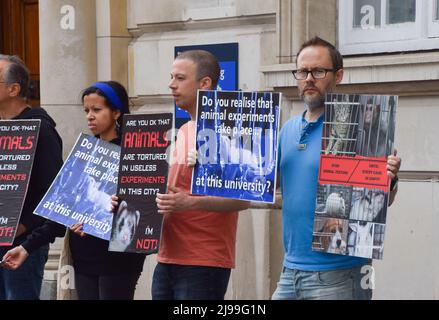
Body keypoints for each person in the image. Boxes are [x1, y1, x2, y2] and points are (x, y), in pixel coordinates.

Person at [272, 37, 401, 300]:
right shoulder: (287, 130)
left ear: (338, 75)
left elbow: (380, 203)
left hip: (340, 274)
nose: (308, 78)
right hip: (290, 271)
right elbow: (268, 189)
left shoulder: (361, 130)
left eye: (318, 71)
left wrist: (390, 178)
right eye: (302, 71)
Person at [2, 81, 146, 300]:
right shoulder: (84, 154)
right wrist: (26, 247)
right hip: (83, 254)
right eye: (87, 110)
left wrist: (122, 205)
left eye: (97, 110)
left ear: (116, 112)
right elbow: (60, 210)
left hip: (118, 258)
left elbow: (145, 213)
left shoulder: (135, 155)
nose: (90, 116)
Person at [152, 50, 250, 299]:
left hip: (203, 261)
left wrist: (190, 202)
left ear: (204, 83)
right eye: (171, 77)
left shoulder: (228, 132)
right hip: (166, 257)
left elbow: (243, 199)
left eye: (180, 78)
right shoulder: (183, 129)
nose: (171, 84)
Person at [0, 55, 63, 300]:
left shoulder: (42, 130)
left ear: (13, 89)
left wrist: (22, 227)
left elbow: (52, 193)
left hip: (22, 245)